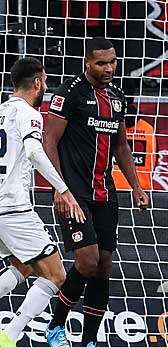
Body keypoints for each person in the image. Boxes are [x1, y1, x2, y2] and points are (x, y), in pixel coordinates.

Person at [43, 37, 149, 347]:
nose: (109, 68)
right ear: (87, 62)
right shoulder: (68, 94)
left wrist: (137, 186)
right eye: (101, 63)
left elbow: (120, 145)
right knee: (87, 261)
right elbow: (49, 142)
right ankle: (55, 327)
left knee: (103, 268)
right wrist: (59, 189)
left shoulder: (117, 96)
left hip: (106, 193)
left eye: (112, 61)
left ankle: (89, 340)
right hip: (74, 193)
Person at [0, 57, 85, 347]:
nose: (46, 87)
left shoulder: (0, 112)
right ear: (37, 82)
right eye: (46, 82)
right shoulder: (30, 114)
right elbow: (35, 152)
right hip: (12, 208)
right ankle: (9, 337)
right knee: (56, 274)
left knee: (24, 267)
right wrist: (63, 189)